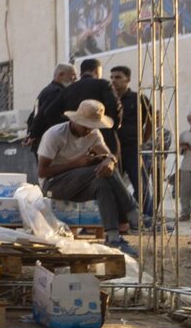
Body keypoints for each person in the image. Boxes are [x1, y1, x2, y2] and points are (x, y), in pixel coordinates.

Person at [36, 99, 139, 256]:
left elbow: (108, 156)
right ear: (75, 120)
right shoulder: (55, 135)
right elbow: (42, 172)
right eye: (85, 126)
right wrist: (77, 163)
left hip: (79, 184)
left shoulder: (93, 134)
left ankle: (113, 237)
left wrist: (110, 161)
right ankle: (133, 212)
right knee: (99, 171)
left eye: (92, 126)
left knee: (103, 180)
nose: (88, 130)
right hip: (53, 184)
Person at [53, 57, 123, 158]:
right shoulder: (103, 84)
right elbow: (115, 107)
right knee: (109, 162)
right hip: (104, 135)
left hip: (76, 140)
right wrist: (114, 125)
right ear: (96, 71)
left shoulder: (68, 89)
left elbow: (51, 111)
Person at [109, 65, 152, 211]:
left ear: (127, 79)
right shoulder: (108, 98)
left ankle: (144, 217)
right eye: (112, 77)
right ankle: (119, 217)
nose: (114, 80)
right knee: (113, 186)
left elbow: (150, 121)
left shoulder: (139, 99)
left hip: (133, 149)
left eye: (118, 77)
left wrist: (143, 140)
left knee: (141, 186)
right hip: (113, 150)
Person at [24, 62, 77, 154]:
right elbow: (44, 114)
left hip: (42, 142)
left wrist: (31, 134)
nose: (75, 79)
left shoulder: (46, 90)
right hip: (49, 143)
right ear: (61, 75)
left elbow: (33, 116)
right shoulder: (56, 92)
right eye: (73, 76)